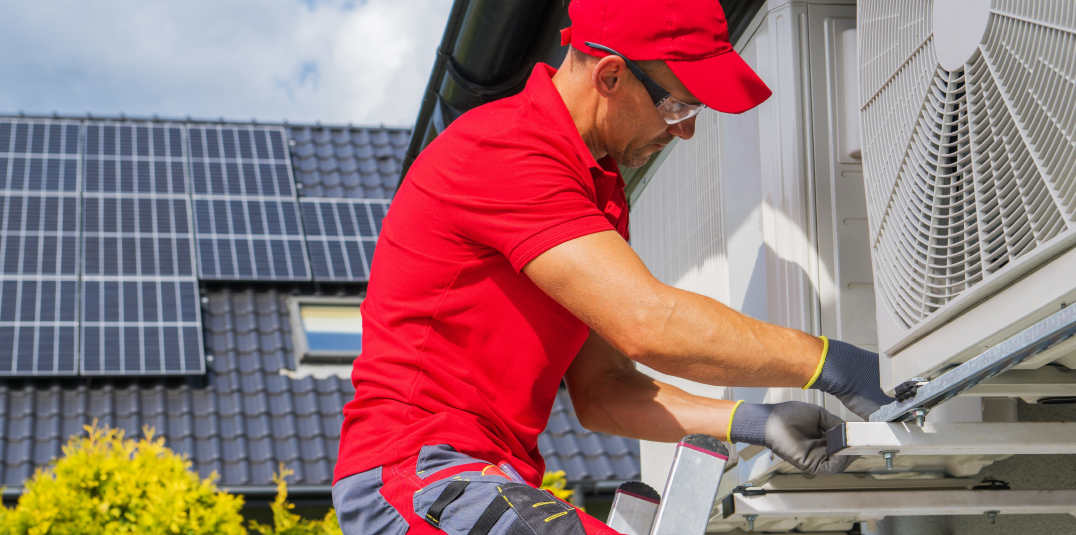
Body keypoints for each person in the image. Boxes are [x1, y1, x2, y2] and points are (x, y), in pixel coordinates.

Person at [332, 0, 894, 533]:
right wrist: (831, 364)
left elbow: (605, 391)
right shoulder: (506, 149)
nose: (685, 129)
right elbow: (648, 324)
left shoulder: (596, 189)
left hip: (480, 476)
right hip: (419, 473)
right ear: (609, 77)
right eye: (678, 104)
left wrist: (754, 422)